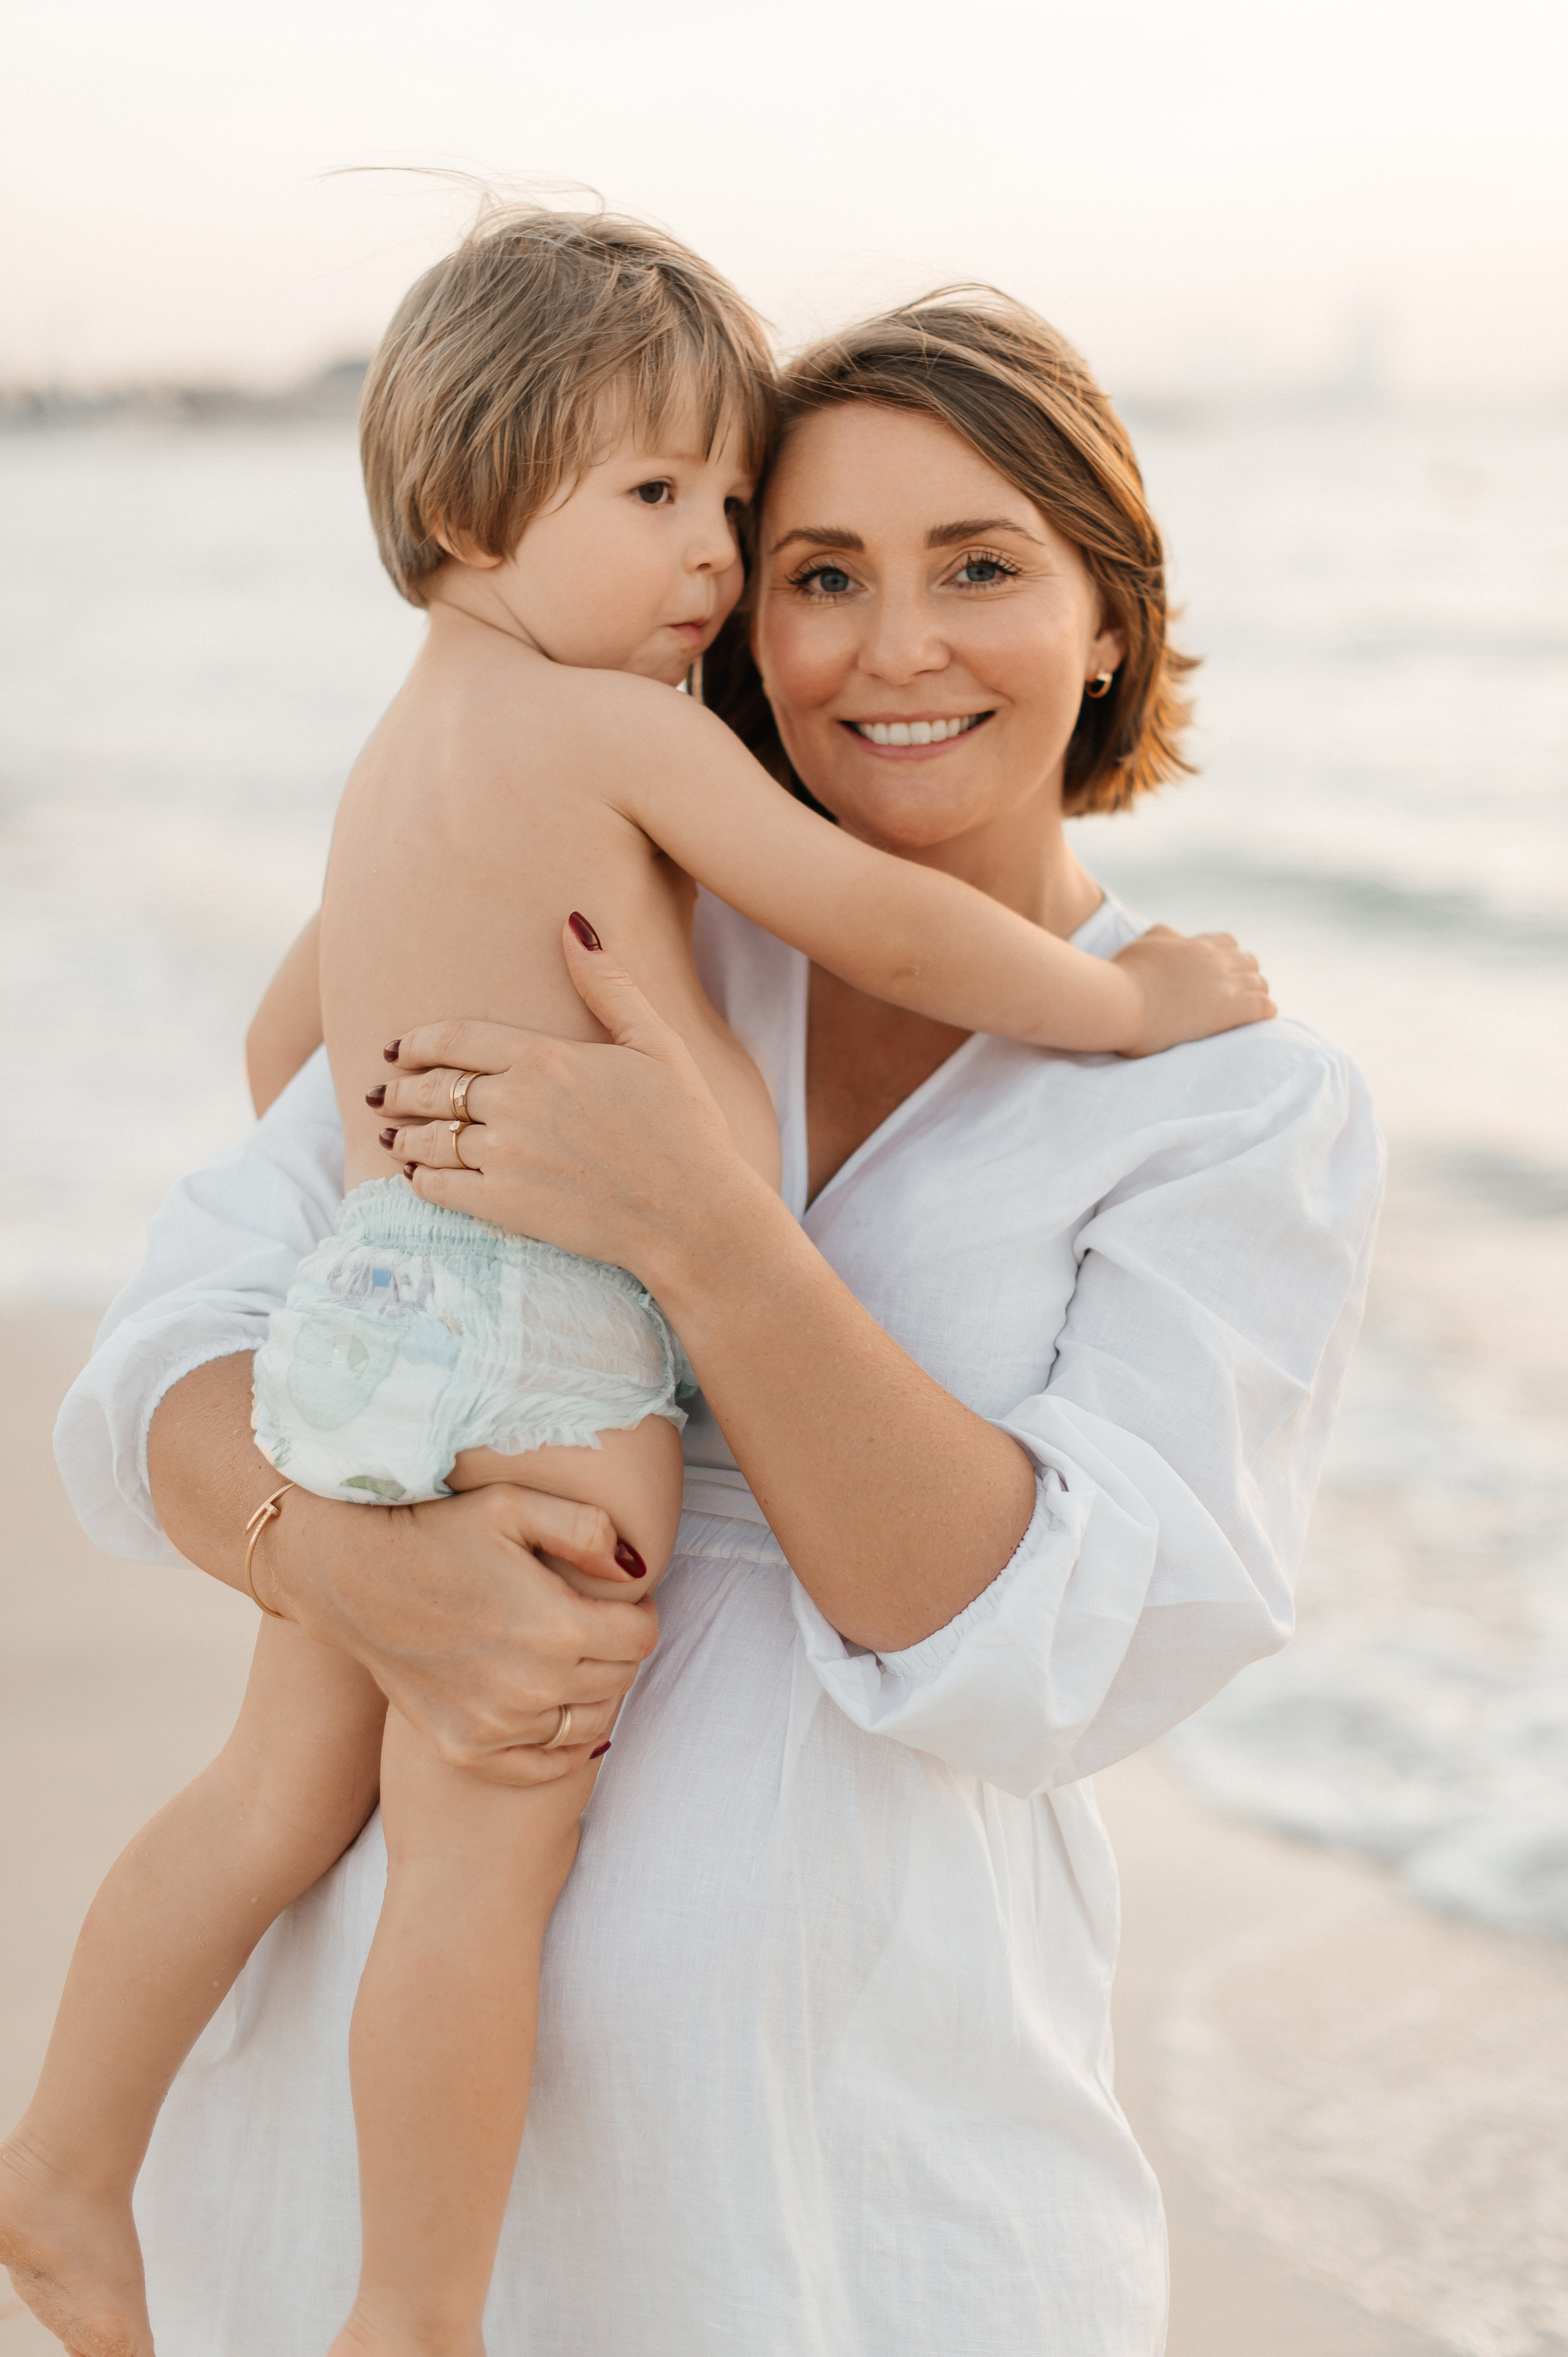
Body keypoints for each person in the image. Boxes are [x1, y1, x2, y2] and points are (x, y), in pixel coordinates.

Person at [40, 288, 1380, 2357]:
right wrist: (353, 1571)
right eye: (816, 571)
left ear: (1111, 616)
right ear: (744, 615)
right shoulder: (590, 904)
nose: (894, 644)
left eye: (982, 567)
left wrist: (699, 1225)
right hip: (344, 2205)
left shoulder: (1239, 1104)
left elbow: (1043, 1662)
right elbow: (163, 1363)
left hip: (845, 2217)